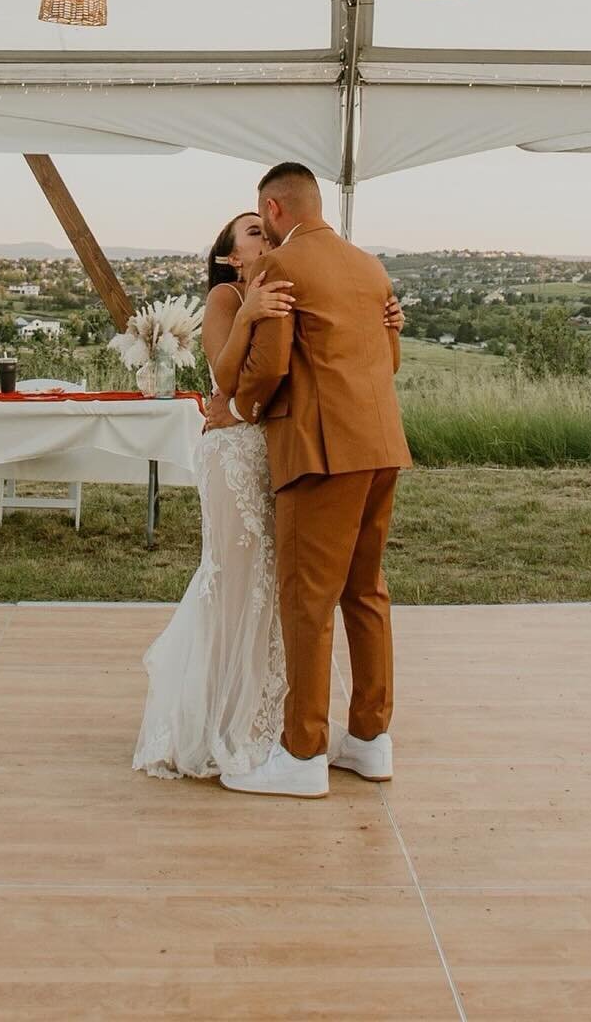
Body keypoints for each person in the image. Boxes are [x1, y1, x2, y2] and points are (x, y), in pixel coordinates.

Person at [208, 162, 410, 800]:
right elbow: (391, 359)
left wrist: (244, 409)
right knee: (366, 592)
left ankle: (302, 753)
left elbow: (267, 367)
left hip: (321, 451)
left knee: (307, 601)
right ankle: (371, 740)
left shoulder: (281, 267)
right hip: (382, 447)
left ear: (272, 208)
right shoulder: (369, 266)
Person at [133, 211, 294, 779]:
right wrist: (250, 311)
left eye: (263, 227)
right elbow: (224, 380)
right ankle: (219, 719)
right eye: (250, 231)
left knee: (268, 580)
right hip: (231, 454)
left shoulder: (281, 287)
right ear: (229, 256)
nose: (262, 234)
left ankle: (263, 712)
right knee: (233, 577)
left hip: (266, 447)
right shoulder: (228, 297)